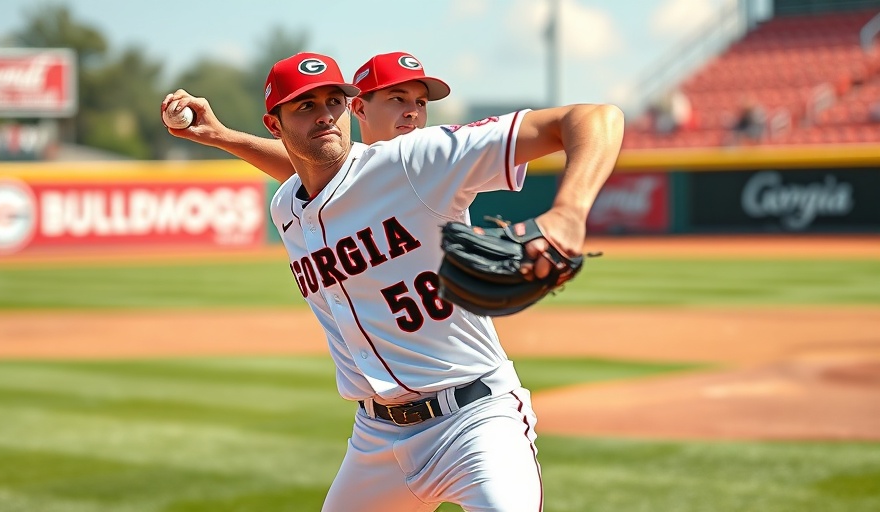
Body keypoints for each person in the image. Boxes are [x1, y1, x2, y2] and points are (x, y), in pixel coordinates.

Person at [253, 51, 623, 511]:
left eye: (334, 101)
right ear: (275, 124)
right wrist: (218, 135)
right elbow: (308, 171)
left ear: (351, 107)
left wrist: (569, 212)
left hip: (474, 421)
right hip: (377, 438)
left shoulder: (416, 159)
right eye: (305, 106)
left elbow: (596, 117)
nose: (326, 115)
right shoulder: (287, 205)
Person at [161, 51, 450, 183]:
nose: (413, 111)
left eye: (421, 102)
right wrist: (222, 135)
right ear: (358, 108)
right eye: (397, 98)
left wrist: (224, 136)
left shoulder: (439, 157)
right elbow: (305, 163)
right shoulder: (341, 177)